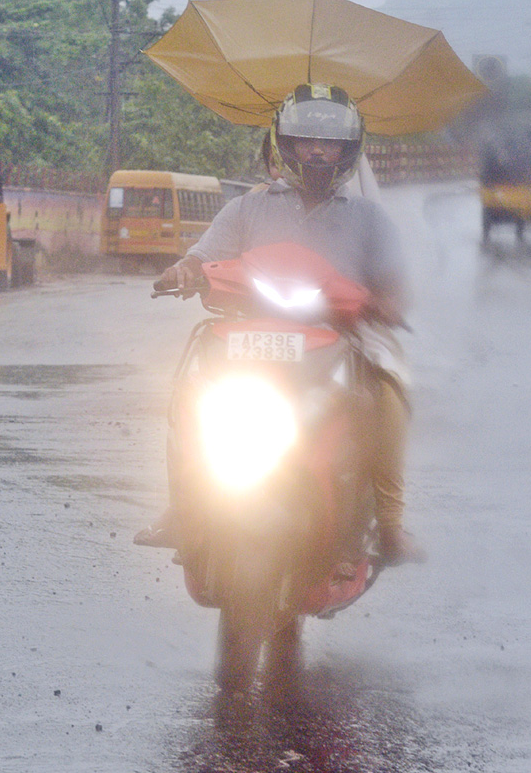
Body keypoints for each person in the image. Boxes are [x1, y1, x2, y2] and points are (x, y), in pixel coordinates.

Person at [144, 82, 425, 566]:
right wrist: (184, 272)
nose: (317, 150)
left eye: (330, 141)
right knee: (189, 384)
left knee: (388, 394)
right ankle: (184, 506)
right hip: (249, 337)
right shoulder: (246, 207)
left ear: (348, 148)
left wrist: (388, 302)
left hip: (339, 340)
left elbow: (395, 284)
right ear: (286, 145)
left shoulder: (369, 218)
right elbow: (204, 255)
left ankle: (391, 524)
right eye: (306, 139)